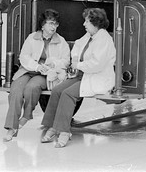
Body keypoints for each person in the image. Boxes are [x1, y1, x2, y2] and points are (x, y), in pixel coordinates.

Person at [40, 8, 116, 148]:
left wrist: (78, 64)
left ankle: (64, 131)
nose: (84, 24)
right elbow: (77, 45)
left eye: (87, 21)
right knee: (57, 90)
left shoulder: (104, 39)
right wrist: (75, 59)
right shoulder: (89, 35)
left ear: (95, 22)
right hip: (82, 75)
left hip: (96, 77)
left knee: (68, 94)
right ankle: (52, 126)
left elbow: (97, 64)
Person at [3, 9, 70, 142]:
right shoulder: (32, 37)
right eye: (50, 23)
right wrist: (37, 66)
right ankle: (12, 127)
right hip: (27, 70)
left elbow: (66, 60)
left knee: (32, 88)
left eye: (56, 24)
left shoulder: (61, 41)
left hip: (45, 75)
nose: (53, 27)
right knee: (15, 90)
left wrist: (52, 64)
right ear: (43, 25)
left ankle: (26, 116)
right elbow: (24, 56)